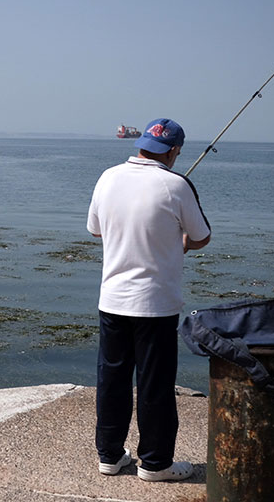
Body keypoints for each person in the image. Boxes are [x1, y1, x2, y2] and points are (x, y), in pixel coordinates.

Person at [86, 118, 211, 480]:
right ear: (174, 151)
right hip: (155, 304)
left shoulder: (107, 177)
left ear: (141, 143)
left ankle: (109, 456)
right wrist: (178, 242)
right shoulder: (176, 184)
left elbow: (95, 229)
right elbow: (201, 236)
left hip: (112, 300)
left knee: (112, 380)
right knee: (154, 384)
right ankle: (156, 463)